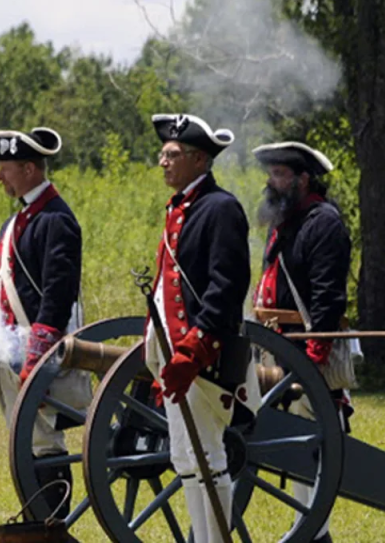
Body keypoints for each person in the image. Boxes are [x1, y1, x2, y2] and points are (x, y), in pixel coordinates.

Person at [0, 127, 88, 517]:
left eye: (5, 168)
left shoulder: (57, 220)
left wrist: (37, 355)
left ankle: (50, 523)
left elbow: (57, 294)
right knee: (22, 440)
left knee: (44, 440)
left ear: (29, 168)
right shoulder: (15, 224)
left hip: (32, 351)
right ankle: (34, 516)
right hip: (7, 352)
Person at [144, 113, 253, 543]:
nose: (163, 162)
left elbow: (226, 285)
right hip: (176, 353)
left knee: (208, 456)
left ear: (198, 159)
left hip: (203, 356)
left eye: (171, 154)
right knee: (185, 459)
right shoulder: (181, 208)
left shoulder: (221, 208)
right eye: (163, 153)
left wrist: (197, 345)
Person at [251, 141, 353, 543]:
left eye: (278, 175)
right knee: (300, 446)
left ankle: (315, 532)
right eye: (271, 174)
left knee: (311, 445)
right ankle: (311, 531)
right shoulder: (286, 221)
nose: (271, 183)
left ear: (303, 178)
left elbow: (327, 303)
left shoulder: (323, 223)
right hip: (280, 348)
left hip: (307, 354)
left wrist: (309, 364)